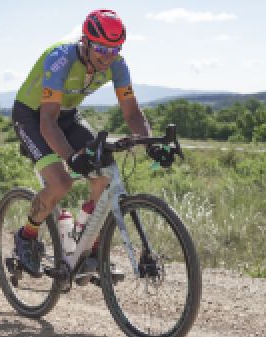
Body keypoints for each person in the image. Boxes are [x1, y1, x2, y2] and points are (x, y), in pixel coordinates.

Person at [12, 9, 171, 278]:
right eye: (101, 49)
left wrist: (150, 144)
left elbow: (132, 113)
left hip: (67, 116)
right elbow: (47, 122)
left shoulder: (117, 65)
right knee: (61, 182)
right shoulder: (60, 59)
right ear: (85, 42)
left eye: (114, 49)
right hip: (33, 116)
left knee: (104, 172)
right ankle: (26, 237)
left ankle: (89, 249)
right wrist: (71, 158)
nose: (107, 57)